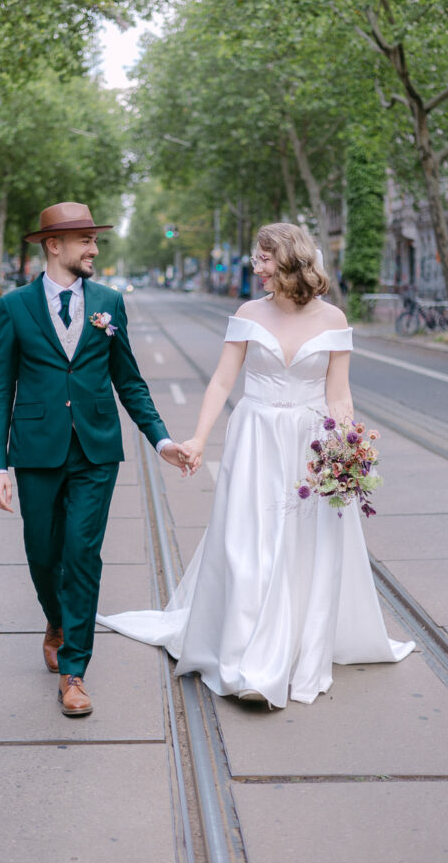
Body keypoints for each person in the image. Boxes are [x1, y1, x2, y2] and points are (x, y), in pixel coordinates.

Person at [99, 223, 414, 708]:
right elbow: (222, 383)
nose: (255, 266)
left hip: (312, 444)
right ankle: (248, 655)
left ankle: (294, 645)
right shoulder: (248, 312)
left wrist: (347, 449)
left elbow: (339, 393)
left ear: (288, 259)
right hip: (255, 439)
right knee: (249, 541)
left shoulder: (333, 319)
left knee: (303, 543)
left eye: (262, 258)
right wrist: (199, 439)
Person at [0, 202, 188, 717]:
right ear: (54, 246)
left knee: (82, 555)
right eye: (85, 241)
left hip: (96, 451)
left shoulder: (109, 303)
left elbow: (129, 380)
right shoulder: (14, 306)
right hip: (35, 451)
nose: (94, 249)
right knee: (42, 554)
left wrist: (161, 439)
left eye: (95, 240)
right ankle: (55, 620)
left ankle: (74, 671)